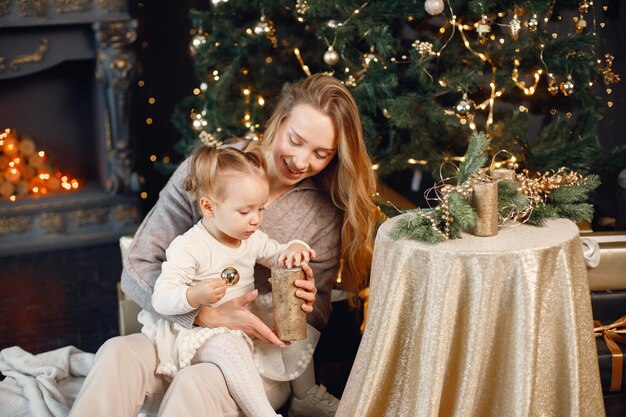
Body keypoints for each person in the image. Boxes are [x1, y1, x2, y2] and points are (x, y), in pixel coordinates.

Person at [69, 73, 378, 417]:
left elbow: (317, 307)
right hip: (177, 336)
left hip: (254, 358)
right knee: (116, 353)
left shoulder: (322, 212)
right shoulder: (210, 172)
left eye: (322, 153)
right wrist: (202, 314)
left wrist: (303, 304)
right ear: (280, 119)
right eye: (295, 140)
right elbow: (139, 265)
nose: (303, 161)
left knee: (196, 383)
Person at [143, 144, 317, 417]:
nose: (256, 220)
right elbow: (161, 298)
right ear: (209, 207)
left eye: (261, 209)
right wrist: (195, 296)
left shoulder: (252, 239)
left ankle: (308, 395)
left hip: (240, 321)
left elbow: (277, 252)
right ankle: (264, 414)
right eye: (245, 211)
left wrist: (295, 248)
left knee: (290, 317)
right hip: (199, 334)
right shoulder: (189, 247)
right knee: (229, 345)